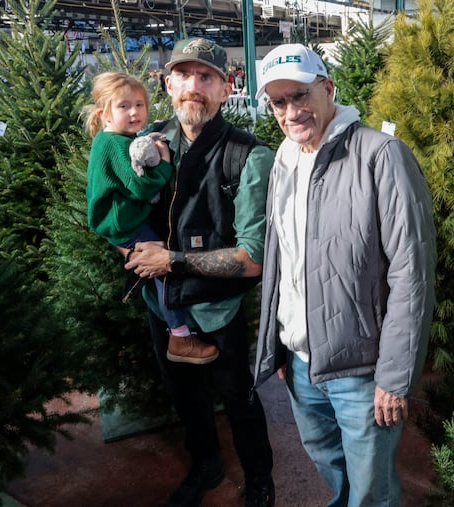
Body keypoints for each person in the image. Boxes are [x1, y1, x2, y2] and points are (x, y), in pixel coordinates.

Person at [253, 44, 436, 506]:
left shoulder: (381, 156)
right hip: (300, 363)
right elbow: (281, 260)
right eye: (278, 102)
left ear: (328, 89)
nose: (291, 112)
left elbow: (411, 274)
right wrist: (275, 344)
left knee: (371, 490)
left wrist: (394, 377)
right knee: (330, 466)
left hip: (361, 368)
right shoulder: (285, 160)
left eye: (300, 95)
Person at [123, 38, 275, 507]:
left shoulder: (247, 156)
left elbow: (253, 256)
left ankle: (260, 479)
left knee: (238, 397)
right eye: (184, 76)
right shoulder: (146, 147)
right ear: (168, 85)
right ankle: (206, 465)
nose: (194, 87)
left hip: (219, 305)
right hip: (163, 303)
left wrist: (172, 261)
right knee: (184, 394)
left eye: (206, 77)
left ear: (226, 89)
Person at [83, 71, 219, 365]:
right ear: (103, 113)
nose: (134, 112)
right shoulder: (115, 144)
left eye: (139, 105)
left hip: (121, 219)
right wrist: (166, 168)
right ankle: (180, 336)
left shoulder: (118, 139)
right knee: (161, 266)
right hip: (124, 221)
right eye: (123, 106)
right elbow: (139, 185)